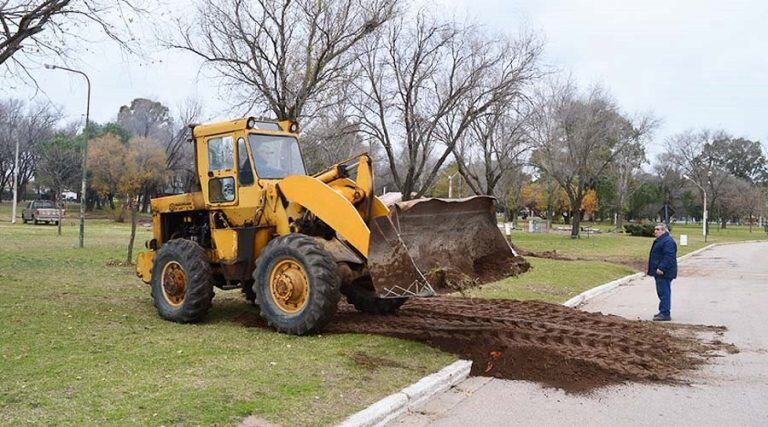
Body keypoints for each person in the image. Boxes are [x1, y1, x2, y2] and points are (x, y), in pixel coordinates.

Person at [647, 223, 677, 321]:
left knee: (664, 292)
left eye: (658, 229)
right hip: (659, 271)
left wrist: (661, 268)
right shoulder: (661, 240)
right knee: (661, 292)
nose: (655, 231)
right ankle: (662, 311)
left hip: (664, 272)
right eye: (655, 229)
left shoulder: (668, 241)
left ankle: (665, 313)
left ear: (663, 231)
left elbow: (669, 256)